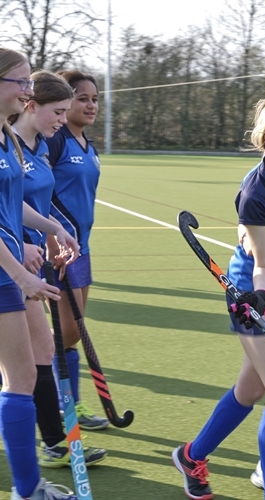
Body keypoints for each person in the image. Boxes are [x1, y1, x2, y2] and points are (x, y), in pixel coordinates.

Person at [172, 89, 265, 500]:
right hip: (256, 298)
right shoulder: (259, 192)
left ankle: (191, 455)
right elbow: (263, 264)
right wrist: (260, 297)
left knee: (250, 390)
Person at [10, 69, 107, 468]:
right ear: (31, 106)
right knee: (22, 364)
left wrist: (51, 233)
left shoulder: (35, 149)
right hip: (12, 263)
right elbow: (7, 207)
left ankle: (55, 442)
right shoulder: (10, 147)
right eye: (58, 111)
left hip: (25, 263)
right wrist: (32, 241)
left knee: (41, 350)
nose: (62, 120)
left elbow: (34, 204)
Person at [0, 46, 80, 500]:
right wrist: (21, 274)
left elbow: (14, 205)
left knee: (23, 375)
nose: (28, 91)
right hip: (5, 273)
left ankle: (28, 486)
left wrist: (51, 227)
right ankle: (28, 489)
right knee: (20, 377)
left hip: (9, 271)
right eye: (21, 82)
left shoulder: (7, 139)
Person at [45, 70, 108, 431]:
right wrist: (54, 239)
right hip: (58, 249)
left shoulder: (90, 147)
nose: (90, 105)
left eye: (94, 98)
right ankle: (58, 406)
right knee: (66, 332)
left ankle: (74, 405)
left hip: (81, 248)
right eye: (82, 98)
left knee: (72, 333)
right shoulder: (56, 142)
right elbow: (37, 193)